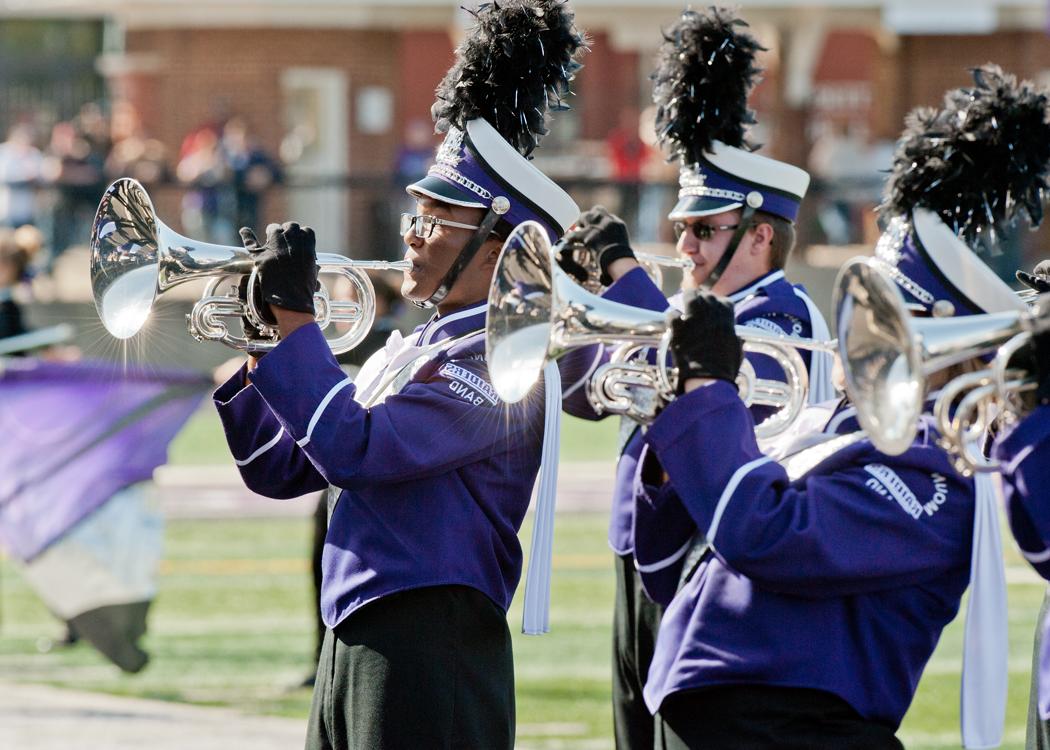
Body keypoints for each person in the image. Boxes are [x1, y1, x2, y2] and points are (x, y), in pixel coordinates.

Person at [631, 63, 1048, 750]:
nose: (860, 336)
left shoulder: (935, 475)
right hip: (715, 715)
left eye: (889, 321)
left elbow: (766, 534)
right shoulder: (823, 424)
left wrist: (708, 394)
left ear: (960, 347)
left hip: (794, 727)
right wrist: (670, 444)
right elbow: (664, 562)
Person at [212, 2, 585, 748]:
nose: (411, 232)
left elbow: (358, 449)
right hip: (360, 630)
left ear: (498, 245)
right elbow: (281, 470)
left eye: (437, 217)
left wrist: (297, 330)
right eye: (415, 212)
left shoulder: (498, 360)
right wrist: (262, 341)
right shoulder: (414, 346)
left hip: (427, 642)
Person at [556, 10, 833, 748]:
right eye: (679, 226)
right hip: (641, 550)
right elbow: (592, 392)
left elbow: (707, 396)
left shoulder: (781, 312)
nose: (681, 244)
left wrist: (626, 278)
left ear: (761, 234)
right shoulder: (691, 303)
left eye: (701, 230)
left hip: (705, 553)